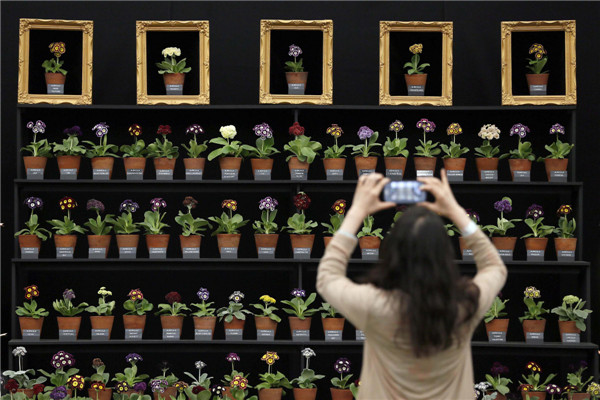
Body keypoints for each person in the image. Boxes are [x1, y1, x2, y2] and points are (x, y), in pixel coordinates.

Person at [316, 171, 507, 400]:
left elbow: (327, 277)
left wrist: (358, 211)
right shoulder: (464, 305)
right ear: (445, 254)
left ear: (392, 252)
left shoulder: (374, 305)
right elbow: (495, 268)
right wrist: (455, 211)